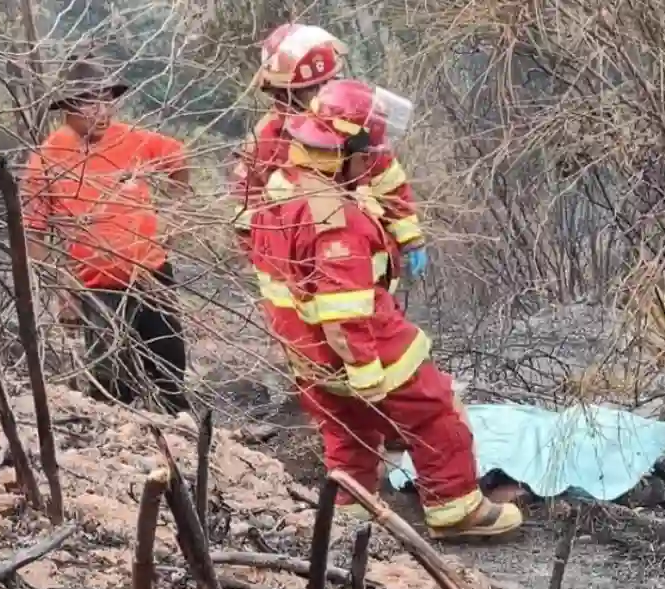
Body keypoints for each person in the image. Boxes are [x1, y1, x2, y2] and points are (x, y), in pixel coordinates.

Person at [248, 79, 521, 539]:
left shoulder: (282, 187)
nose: (374, 162)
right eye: (366, 153)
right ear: (343, 151)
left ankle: (350, 505)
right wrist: (367, 376)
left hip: (304, 349)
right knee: (435, 411)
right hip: (359, 344)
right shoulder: (337, 221)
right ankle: (456, 512)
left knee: (346, 425)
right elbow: (344, 315)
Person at [22, 55, 192, 415]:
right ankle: (125, 452)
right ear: (68, 107)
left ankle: (180, 438)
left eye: (107, 99)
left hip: (151, 276)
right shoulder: (46, 160)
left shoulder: (132, 140)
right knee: (112, 383)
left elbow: (179, 161)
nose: (102, 110)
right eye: (90, 101)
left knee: (170, 367)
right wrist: (61, 289)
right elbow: (35, 233)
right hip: (96, 288)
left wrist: (176, 217)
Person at [229, 24, 428, 279]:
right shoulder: (266, 142)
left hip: (363, 261)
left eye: (328, 82)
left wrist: (409, 237)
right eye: (315, 87)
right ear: (286, 92)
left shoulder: (348, 117)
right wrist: (285, 272)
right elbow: (248, 219)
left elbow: (386, 179)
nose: (324, 93)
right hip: (305, 273)